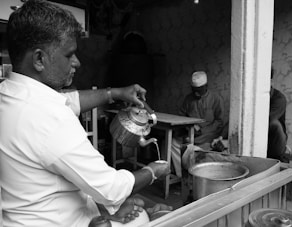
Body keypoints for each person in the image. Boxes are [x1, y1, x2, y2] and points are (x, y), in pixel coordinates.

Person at [0, 1, 170, 226]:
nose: (77, 62)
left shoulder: (9, 93)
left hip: (24, 216)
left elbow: (71, 100)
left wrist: (117, 92)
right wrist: (154, 171)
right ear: (39, 59)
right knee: (143, 217)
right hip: (62, 222)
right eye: (69, 54)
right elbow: (110, 188)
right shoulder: (48, 117)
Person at [171, 71, 224, 177]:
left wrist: (202, 130)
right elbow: (181, 116)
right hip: (190, 132)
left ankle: (195, 176)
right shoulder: (188, 99)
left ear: (206, 86)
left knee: (191, 146)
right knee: (173, 142)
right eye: (194, 89)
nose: (196, 92)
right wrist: (188, 126)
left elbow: (220, 121)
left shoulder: (215, 98)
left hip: (208, 134)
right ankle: (181, 176)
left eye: (199, 89)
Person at [267, 69, 288, 161]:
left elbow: (269, 120)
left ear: (270, 81)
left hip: (274, 143)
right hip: (258, 140)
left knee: (274, 123)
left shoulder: (279, 98)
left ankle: (279, 155)